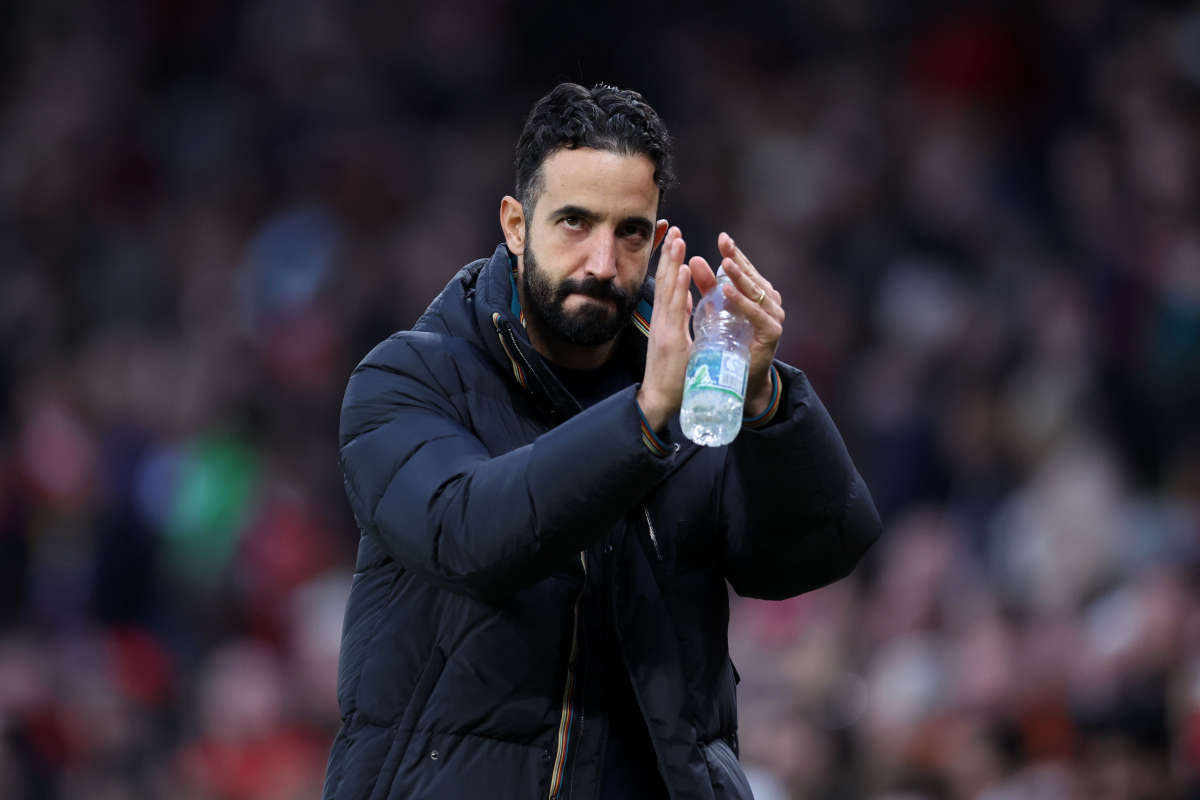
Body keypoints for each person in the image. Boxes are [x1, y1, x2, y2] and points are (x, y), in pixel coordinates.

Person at [324, 83, 881, 800]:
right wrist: (645, 414)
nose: (601, 261)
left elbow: (814, 551)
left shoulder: (689, 389)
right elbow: (468, 537)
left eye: (629, 232)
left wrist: (770, 403)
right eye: (574, 223)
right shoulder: (406, 376)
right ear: (516, 224)